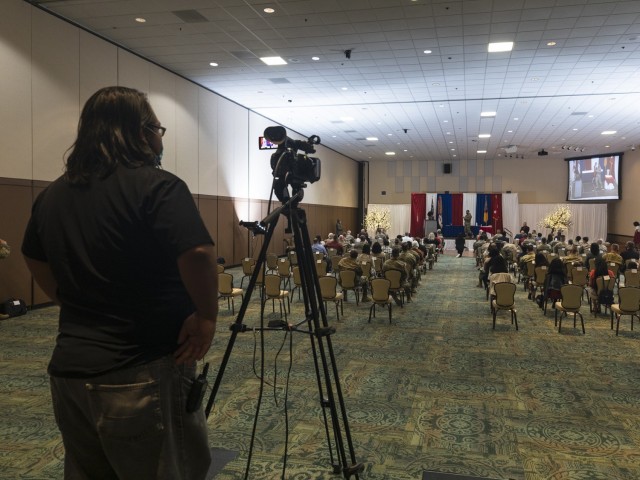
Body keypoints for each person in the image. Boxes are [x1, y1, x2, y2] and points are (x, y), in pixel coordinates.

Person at [20, 87, 218, 480]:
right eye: (159, 128)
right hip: (141, 369)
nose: (161, 138)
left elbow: (33, 256)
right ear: (143, 132)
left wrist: (67, 298)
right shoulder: (158, 185)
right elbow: (197, 253)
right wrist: (206, 316)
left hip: (70, 372)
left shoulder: (52, 195)